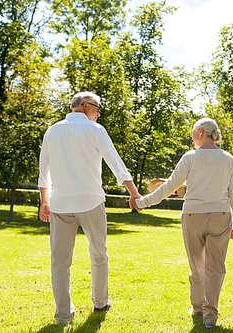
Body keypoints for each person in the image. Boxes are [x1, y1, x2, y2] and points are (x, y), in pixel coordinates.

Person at [38, 91, 140, 326]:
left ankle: (63, 315)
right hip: (90, 202)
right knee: (98, 255)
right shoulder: (96, 130)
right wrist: (133, 192)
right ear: (85, 106)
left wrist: (45, 201)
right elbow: (116, 163)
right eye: (97, 107)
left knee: (59, 262)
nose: (98, 112)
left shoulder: (52, 131)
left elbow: (45, 169)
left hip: (60, 204)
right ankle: (100, 302)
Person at [133, 118, 233, 329]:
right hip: (220, 216)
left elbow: (168, 187)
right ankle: (210, 316)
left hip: (193, 216)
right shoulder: (228, 159)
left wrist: (143, 202)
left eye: (193, 133)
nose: (192, 137)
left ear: (201, 132)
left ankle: (198, 307)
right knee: (215, 267)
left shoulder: (190, 157)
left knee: (197, 266)